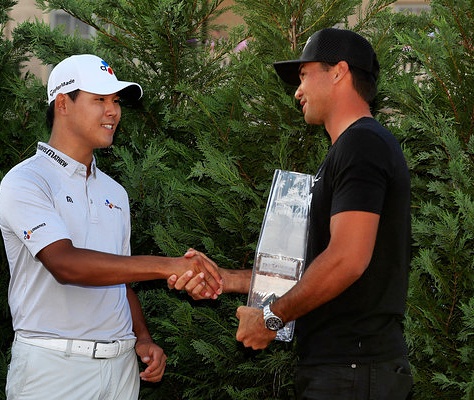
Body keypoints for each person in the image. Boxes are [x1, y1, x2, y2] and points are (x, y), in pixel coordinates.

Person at [168, 28, 413, 399]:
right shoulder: (351, 148)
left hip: (354, 370)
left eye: (303, 76)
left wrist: (271, 318)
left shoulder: (362, 144)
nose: (297, 91)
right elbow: (316, 268)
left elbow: (347, 259)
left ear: (339, 72)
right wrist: (227, 279)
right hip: (348, 370)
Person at [0, 54, 223, 400]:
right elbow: (65, 264)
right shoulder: (26, 180)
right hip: (53, 370)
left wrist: (142, 338)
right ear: (63, 104)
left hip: (120, 369)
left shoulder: (114, 192)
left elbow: (119, 281)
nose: (113, 112)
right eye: (100, 99)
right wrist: (169, 266)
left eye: (116, 101)